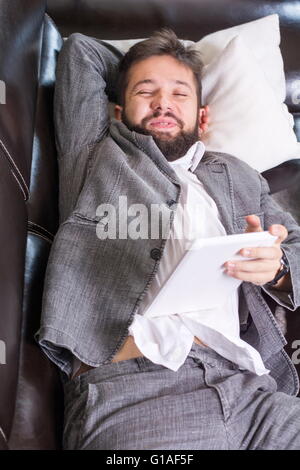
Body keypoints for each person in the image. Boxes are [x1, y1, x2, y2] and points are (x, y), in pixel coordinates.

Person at [35, 28, 300, 450]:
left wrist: (279, 268)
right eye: (146, 91)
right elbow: (80, 51)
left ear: (203, 115)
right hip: (138, 392)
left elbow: (295, 246)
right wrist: (160, 61)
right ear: (118, 111)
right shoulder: (95, 153)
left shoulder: (238, 174)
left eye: (180, 94)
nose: (162, 102)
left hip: (254, 393)